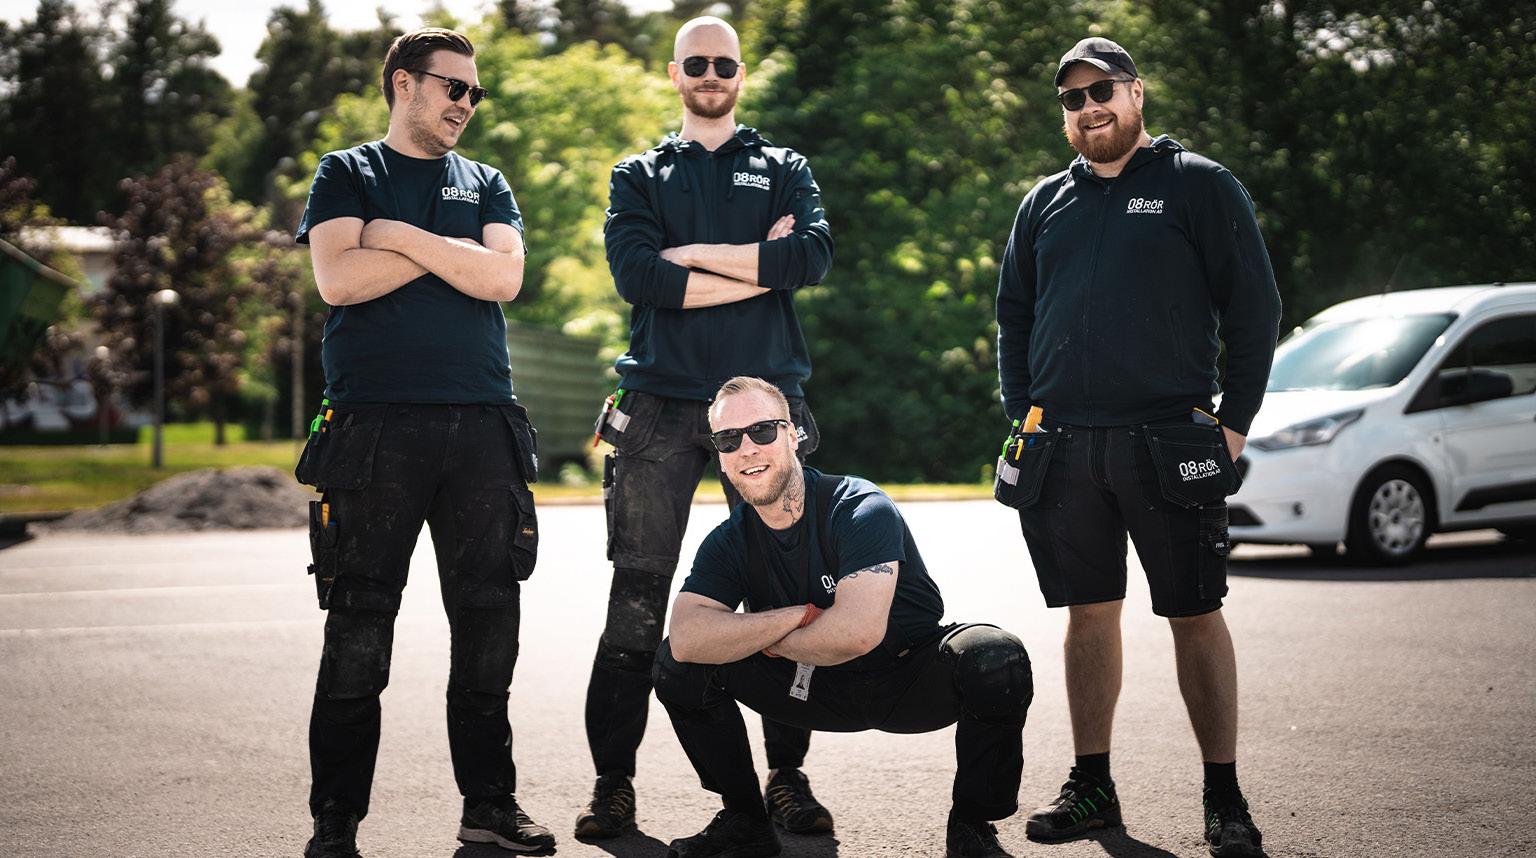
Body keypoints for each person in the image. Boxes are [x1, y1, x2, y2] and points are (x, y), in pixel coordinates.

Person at [994, 36, 1282, 858]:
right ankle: (1092, 786)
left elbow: (1256, 309)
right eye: (1073, 98)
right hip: (1064, 447)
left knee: (1195, 613)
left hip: (1169, 440)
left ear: (1136, 93)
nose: (1089, 108)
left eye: (1102, 91)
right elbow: (1015, 315)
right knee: (1088, 614)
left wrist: (1233, 424)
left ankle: (1224, 797)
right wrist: (1024, 416)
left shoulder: (1200, 184)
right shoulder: (1045, 202)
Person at [292, 27, 554, 858]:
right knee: (358, 630)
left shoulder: (486, 181)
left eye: (476, 92)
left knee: (489, 626)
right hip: (373, 428)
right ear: (405, 83)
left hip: (483, 427)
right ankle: (336, 820)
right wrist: (454, 253)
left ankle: (489, 807)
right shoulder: (347, 172)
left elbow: (503, 277)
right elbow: (339, 279)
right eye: (454, 87)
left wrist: (398, 237)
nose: (467, 104)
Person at [578, 16, 836, 841]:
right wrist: (755, 266)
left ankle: (786, 777)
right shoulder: (639, 173)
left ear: (741, 73)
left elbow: (809, 259)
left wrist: (690, 254)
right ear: (675, 72)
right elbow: (638, 277)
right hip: (656, 408)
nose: (712, 73)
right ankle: (613, 784)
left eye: (725, 63)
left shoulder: (785, 167)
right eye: (697, 62)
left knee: (783, 595)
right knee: (637, 598)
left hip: (764, 409)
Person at [652, 376, 1034, 858]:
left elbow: (856, 633)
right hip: (810, 687)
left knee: (995, 657)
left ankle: (971, 828)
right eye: (729, 439)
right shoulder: (730, 540)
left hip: (903, 677)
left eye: (762, 431)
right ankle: (745, 822)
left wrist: (759, 638)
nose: (747, 448)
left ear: (793, 434)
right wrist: (798, 615)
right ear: (721, 456)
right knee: (677, 666)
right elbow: (687, 636)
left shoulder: (858, 505)